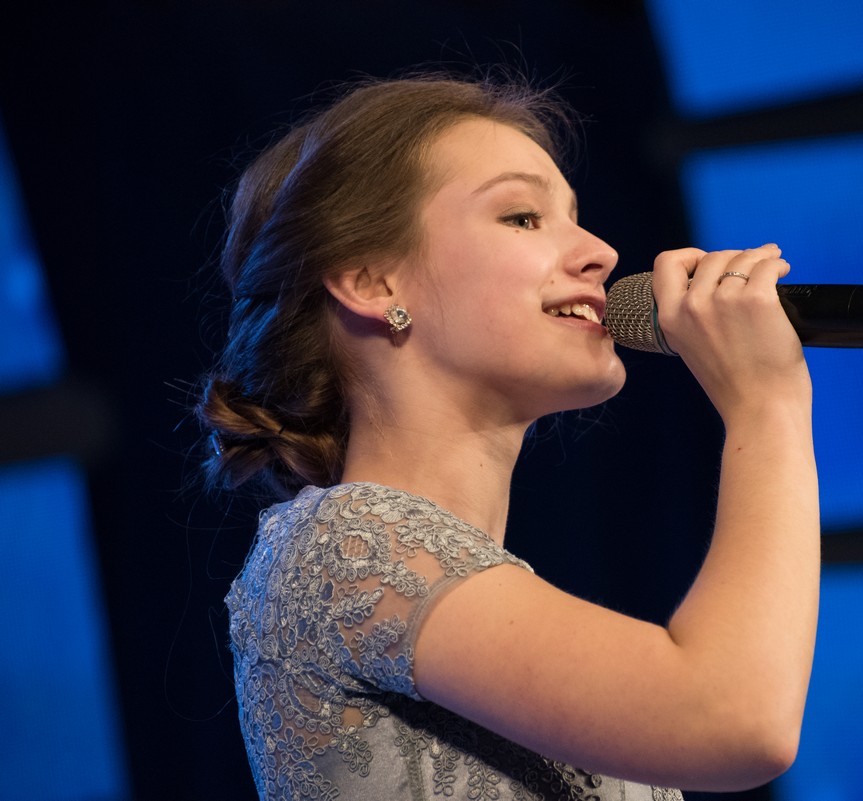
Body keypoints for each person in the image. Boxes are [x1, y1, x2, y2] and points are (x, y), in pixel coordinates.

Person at [197, 74, 820, 801]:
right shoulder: (339, 547)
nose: (600, 252)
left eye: (576, 217)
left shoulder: (486, 596)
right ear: (371, 282)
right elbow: (735, 718)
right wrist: (766, 403)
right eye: (523, 217)